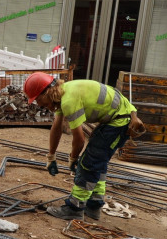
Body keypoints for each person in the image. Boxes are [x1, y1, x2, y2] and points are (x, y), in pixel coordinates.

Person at [24, 73, 146, 220]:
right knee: (97, 162)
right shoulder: (61, 94)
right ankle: (94, 206)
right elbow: (56, 127)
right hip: (115, 119)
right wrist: (51, 157)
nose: (38, 104)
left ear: (47, 92)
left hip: (119, 123)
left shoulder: (69, 100)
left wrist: (73, 159)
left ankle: (74, 208)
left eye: (37, 99)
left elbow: (79, 139)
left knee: (89, 164)